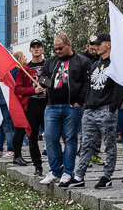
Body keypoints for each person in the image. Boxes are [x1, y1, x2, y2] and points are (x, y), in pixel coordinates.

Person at [61, 32, 123, 189]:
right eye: (94, 44)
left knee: (109, 144)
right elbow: (89, 86)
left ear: (108, 44)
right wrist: (87, 105)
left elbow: (120, 88)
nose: (95, 47)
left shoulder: (115, 65)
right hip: (90, 110)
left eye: (99, 43)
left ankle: (107, 176)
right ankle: (79, 176)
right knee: (86, 143)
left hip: (105, 109)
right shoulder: (95, 64)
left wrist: (112, 108)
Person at [39, 34, 92, 185]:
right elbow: (43, 79)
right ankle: (54, 171)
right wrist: (43, 83)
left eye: (60, 48)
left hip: (71, 106)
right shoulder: (50, 61)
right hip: (52, 106)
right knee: (50, 138)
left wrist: (78, 102)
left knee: (70, 139)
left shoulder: (82, 61)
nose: (58, 51)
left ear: (69, 45)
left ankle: (67, 172)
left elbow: (86, 83)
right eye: (55, 49)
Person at [15, 39, 47, 175]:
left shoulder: (48, 65)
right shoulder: (24, 69)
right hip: (31, 106)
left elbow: (54, 79)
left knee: (52, 137)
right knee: (32, 138)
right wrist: (33, 91)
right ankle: (37, 166)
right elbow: (18, 89)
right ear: (30, 50)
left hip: (47, 105)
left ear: (42, 49)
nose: (36, 49)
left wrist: (45, 86)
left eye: (38, 47)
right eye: (33, 47)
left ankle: (58, 165)